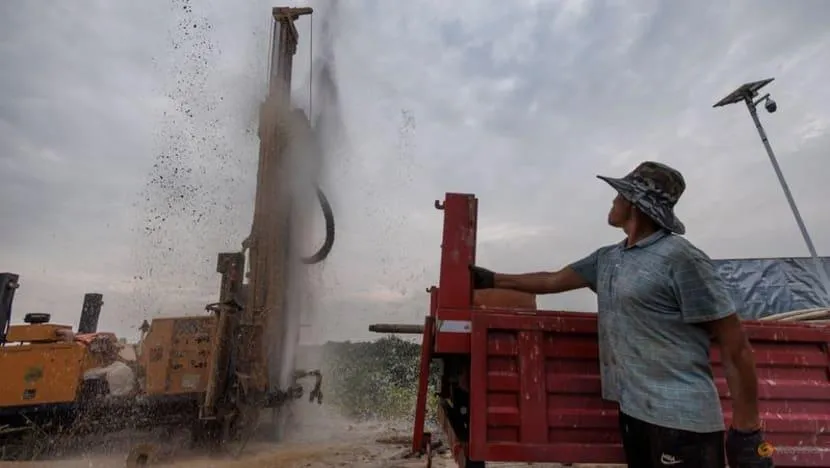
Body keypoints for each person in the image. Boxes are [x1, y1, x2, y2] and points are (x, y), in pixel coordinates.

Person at [470, 161, 773, 468]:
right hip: (635, 413)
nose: (612, 201)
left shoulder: (681, 258)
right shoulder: (608, 258)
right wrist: (492, 279)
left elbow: (735, 345)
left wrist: (747, 429)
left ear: (634, 205)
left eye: (618, 195)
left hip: (683, 421)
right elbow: (552, 280)